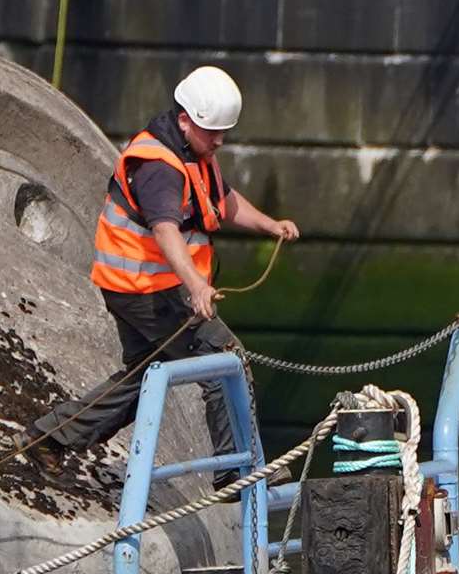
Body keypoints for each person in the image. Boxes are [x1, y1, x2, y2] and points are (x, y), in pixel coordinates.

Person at [23, 65, 298, 486]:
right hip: (147, 290)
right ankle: (237, 470)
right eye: (213, 131)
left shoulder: (193, 153)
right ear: (185, 120)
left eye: (225, 131)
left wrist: (270, 225)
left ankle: (51, 438)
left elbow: (223, 200)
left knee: (143, 377)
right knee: (227, 360)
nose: (220, 140)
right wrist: (197, 286)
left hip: (136, 288)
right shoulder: (159, 167)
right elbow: (165, 231)